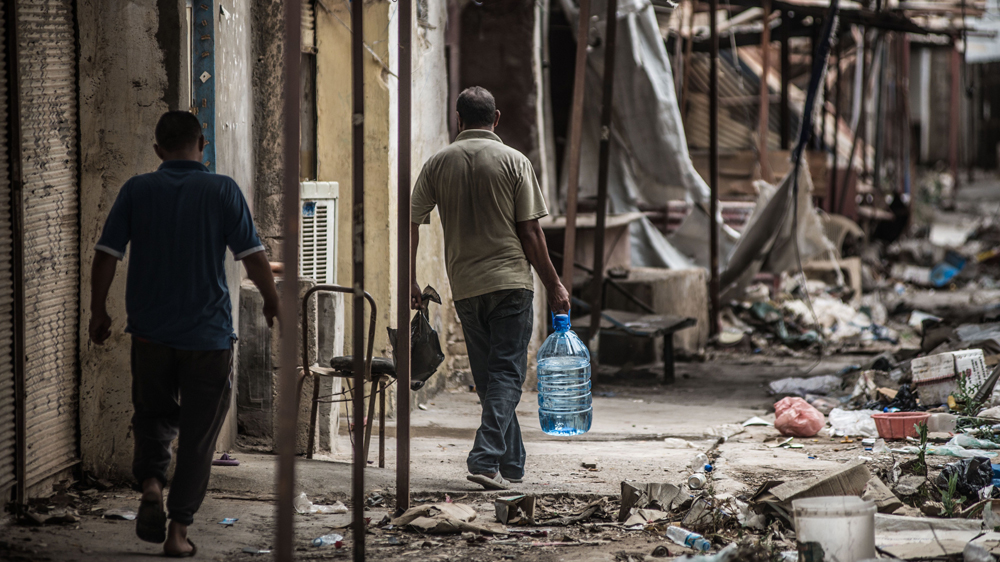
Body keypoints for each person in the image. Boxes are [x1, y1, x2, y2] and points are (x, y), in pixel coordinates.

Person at [88, 111, 279, 557]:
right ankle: (177, 532)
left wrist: (98, 311)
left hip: (150, 334)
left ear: (158, 149)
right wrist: (272, 300)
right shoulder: (222, 190)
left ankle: (152, 484)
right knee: (198, 437)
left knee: (152, 417)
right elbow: (252, 257)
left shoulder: (137, 190)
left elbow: (106, 254)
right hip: (208, 337)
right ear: (202, 144)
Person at [410, 86, 571, 490]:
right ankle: (484, 458)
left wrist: (410, 278)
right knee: (506, 375)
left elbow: (411, 221)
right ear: (496, 118)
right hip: (511, 284)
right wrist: (554, 284)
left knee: (489, 379)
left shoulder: (437, 163)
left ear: (458, 119)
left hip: (466, 287)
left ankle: (511, 465)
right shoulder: (515, 161)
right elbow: (531, 232)